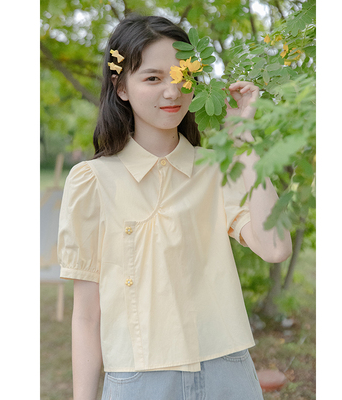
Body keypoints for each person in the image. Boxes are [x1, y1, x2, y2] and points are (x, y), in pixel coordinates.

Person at [57, 14, 292, 400]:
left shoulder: (217, 167)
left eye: (183, 76)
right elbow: (86, 315)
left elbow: (276, 247)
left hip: (227, 369)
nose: (172, 91)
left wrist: (245, 138)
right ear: (121, 87)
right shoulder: (92, 182)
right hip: (137, 379)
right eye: (152, 78)